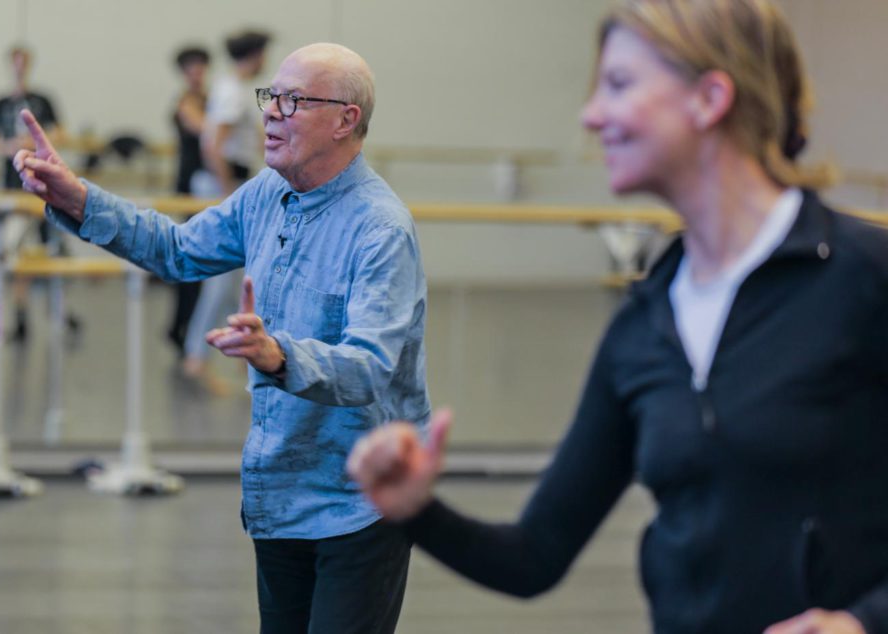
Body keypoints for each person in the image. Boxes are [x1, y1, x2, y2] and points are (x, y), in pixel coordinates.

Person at [348, 1, 888, 633]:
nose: (591, 114)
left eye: (620, 84)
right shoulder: (644, 324)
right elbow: (535, 556)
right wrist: (416, 510)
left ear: (709, 98)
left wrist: (864, 621)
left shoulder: (862, 278)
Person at [14, 43, 429, 634]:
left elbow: (370, 368)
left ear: (346, 120)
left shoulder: (381, 230)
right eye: (271, 97)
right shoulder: (267, 194)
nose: (272, 113)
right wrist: (78, 198)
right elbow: (179, 250)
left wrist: (279, 356)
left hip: (361, 507)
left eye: (294, 100)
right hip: (280, 500)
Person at [179, 30, 273, 389]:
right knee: (219, 282)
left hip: (230, 183)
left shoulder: (234, 88)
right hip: (224, 185)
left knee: (237, 281)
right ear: (256, 53)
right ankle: (195, 358)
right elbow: (214, 146)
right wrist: (229, 194)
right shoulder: (233, 92)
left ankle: (240, 355)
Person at [0, 45, 80, 342]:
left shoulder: (43, 100)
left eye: (23, 62)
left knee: (53, 252)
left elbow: (62, 132)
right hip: (14, 188)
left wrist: (36, 141)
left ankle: (60, 312)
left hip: (46, 189)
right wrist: (8, 146)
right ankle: (22, 317)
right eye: (15, 62)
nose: (19, 67)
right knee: (16, 254)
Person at [165, 45, 212, 360]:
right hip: (190, 185)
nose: (196, 72)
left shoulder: (212, 99)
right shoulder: (186, 102)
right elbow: (208, 132)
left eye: (200, 65)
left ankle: (186, 326)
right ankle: (179, 326)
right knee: (189, 256)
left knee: (203, 259)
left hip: (207, 185)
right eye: (190, 67)